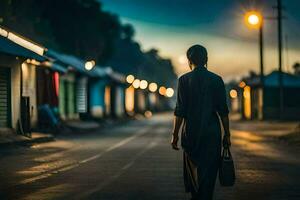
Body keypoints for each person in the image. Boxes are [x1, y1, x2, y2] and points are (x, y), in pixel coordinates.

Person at [171, 45, 231, 200]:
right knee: (209, 174)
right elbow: (223, 111)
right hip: (212, 133)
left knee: (193, 173)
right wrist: (227, 134)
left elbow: (180, 111)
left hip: (191, 133)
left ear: (189, 61)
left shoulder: (184, 80)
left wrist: (175, 135)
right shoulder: (216, 80)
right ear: (206, 60)